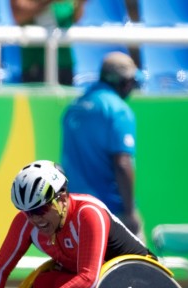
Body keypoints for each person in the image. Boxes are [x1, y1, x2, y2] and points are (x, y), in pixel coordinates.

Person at [0, 160, 153, 288]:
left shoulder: (88, 213)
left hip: (139, 281)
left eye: (41, 209)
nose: (35, 219)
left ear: (62, 198)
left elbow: (88, 278)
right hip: (97, 285)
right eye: (28, 212)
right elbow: (0, 266)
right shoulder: (25, 223)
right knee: (43, 283)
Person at [61, 51, 143, 236]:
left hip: (76, 211)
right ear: (124, 82)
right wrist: (130, 213)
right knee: (137, 265)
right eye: (132, 82)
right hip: (111, 212)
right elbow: (122, 164)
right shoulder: (118, 110)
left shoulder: (74, 107)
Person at [10, 0, 86, 84]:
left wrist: (81, 3)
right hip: (35, 64)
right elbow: (19, 15)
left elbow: (74, 17)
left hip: (64, 63)